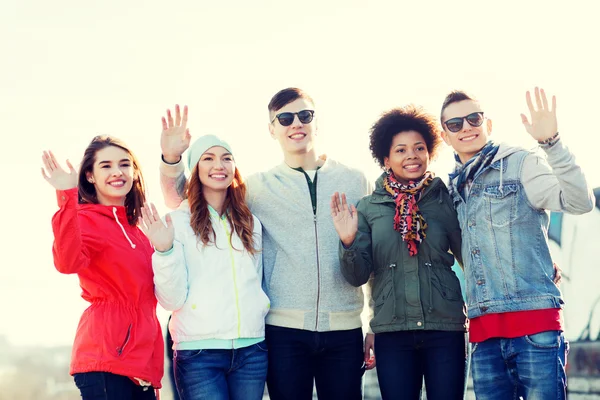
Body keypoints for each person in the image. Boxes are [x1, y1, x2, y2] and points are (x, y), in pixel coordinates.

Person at [159, 90, 373, 399]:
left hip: (344, 330)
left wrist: (375, 324)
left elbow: (372, 254)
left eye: (305, 116)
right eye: (285, 118)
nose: (296, 124)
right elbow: (187, 196)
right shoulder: (257, 188)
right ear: (272, 129)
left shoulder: (355, 180)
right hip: (283, 332)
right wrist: (172, 160)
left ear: (316, 122)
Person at [440, 87, 595, 399]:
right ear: (445, 136)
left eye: (474, 118)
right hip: (484, 336)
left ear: (488, 124)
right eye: (455, 124)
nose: (466, 127)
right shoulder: (453, 188)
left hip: (535, 327)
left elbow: (580, 201)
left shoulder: (520, 164)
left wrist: (552, 144)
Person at [331, 105, 467, 400]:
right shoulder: (368, 207)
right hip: (392, 333)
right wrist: (348, 240)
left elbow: (470, 256)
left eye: (419, 148)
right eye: (401, 150)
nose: (412, 156)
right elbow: (357, 276)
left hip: (445, 327)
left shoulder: (445, 198)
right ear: (385, 159)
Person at [140, 134, 269, 400]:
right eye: (207, 158)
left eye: (226, 158)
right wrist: (165, 252)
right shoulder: (177, 222)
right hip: (199, 355)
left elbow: (258, 279)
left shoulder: (251, 223)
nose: (218, 165)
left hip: (252, 351)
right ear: (196, 170)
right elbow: (170, 300)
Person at [41, 136, 164, 399]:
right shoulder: (85, 220)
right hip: (105, 357)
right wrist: (66, 195)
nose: (117, 172)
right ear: (90, 176)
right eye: (106, 166)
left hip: (142, 363)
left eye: (124, 164)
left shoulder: (141, 229)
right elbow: (66, 262)